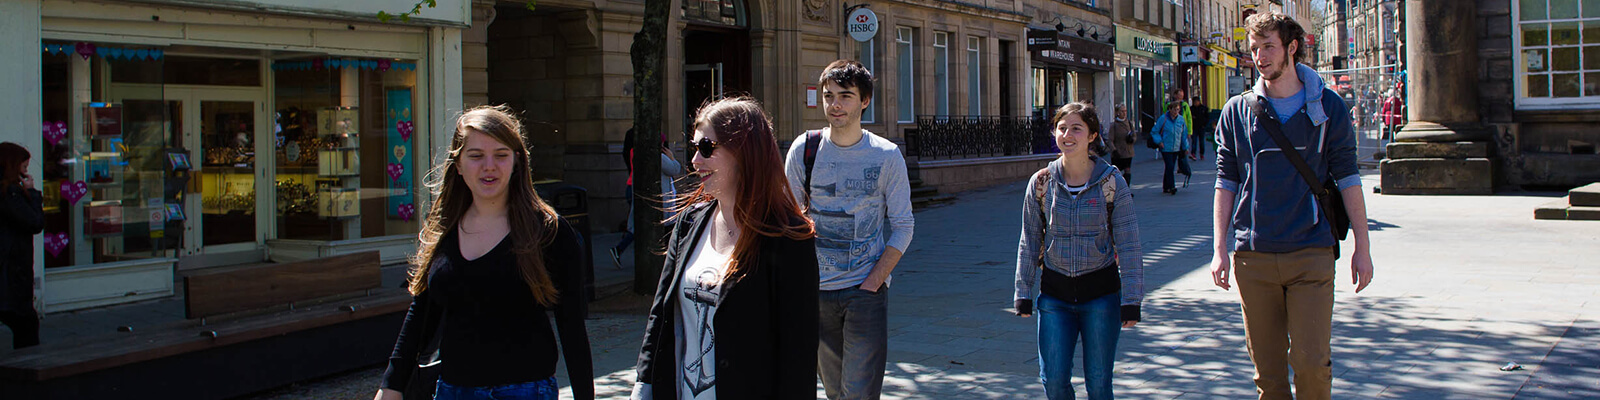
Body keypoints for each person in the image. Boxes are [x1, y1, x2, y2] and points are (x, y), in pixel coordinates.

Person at [376, 105, 594, 400]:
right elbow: (422, 311)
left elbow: (572, 327)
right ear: (458, 164)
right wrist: (391, 385)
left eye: (500, 155)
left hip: (525, 391)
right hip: (452, 391)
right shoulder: (443, 229)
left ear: (517, 161)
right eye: (476, 156)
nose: (488, 166)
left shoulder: (549, 232)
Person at [1210, 13, 1375, 400]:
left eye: (1268, 46)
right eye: (1254, 49)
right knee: (1267, 375)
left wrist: (1363, 249)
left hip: (1311, 252)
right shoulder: (1237, 110)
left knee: (1311, 363)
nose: (1260, 56)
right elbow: (1225, 181)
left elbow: (1349, 177)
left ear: (1292, 47)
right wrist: (1219, 248)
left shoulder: (1328, 107)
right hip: (1255, 256)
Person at [629, 96, 820, 400]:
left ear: (744, 153)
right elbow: (661, 313)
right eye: (695, 148)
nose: (695, 161)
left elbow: (798, 349)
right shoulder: (690, 223)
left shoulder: (787, 237)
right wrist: (644, 383)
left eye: (706, 148)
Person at [785, 59, 914, 400]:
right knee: (833, 391)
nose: (835, 105)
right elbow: (789, 219)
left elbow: (903, 225)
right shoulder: (804, 150)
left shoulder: (886, 156)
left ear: (864, 101)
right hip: (815, 292)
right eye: (828, 96)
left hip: (864, 293)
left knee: (857, 393)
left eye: (845, 96)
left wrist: (874, 280)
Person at [1014, 102, 1144, 400]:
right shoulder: (1041, 183)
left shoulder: (1112, 183)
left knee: (1098, 384)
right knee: (1054, 381)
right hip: (1055, 298)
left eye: (1076, 128)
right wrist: (1023, 291)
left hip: (1101, 297)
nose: (1068, 135)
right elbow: (1030, 239)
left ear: (1092, 135)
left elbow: (1129, 244)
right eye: (1062, 128)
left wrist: (1132, 299)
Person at [612, 137, 687, 268]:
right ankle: (671, 259)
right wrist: (672, 157)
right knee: (664, 229)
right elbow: (675, 169)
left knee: (638, 227)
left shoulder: (639, 154)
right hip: (660, 202)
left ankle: (621, 249)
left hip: (641, 194)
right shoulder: (659, 157)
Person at [0, 143, 43, 350]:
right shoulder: (11, 194)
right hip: (13, 269)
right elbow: (34, 222)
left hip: (11, 267)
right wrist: (33, 193)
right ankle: (27, 370)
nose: (26, 170)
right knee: (25, 323)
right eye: (24, 167)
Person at [1150, 101, 1190, 195]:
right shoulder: (1163, 119)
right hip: (1165, 147)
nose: (1176, 111)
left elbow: (1183, 135)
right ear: (1170, 109)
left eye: (1178, 109)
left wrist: (1185, 147)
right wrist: (1159, 142)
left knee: (1169, 167)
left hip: (1176, 147)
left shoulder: (1181, 120)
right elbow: (1154, 131)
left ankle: (1166, 186)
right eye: (1174, 109)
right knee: (1170, 166)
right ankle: (1172, 186)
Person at [1106, 105, 1137, 186]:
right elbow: (1110, 140)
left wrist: (1132, 139)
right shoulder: (1114, 125)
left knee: (1127, 171)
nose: (1124, 113)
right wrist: (1114, 150)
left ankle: (1126, 190)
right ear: (1117, 112)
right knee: (1117, 173)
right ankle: (1117, 190)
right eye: (1122, 111)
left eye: (1125, 111)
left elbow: (1134, 135)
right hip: (1118, 154)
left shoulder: (1129, 123)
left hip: (1128, 152)